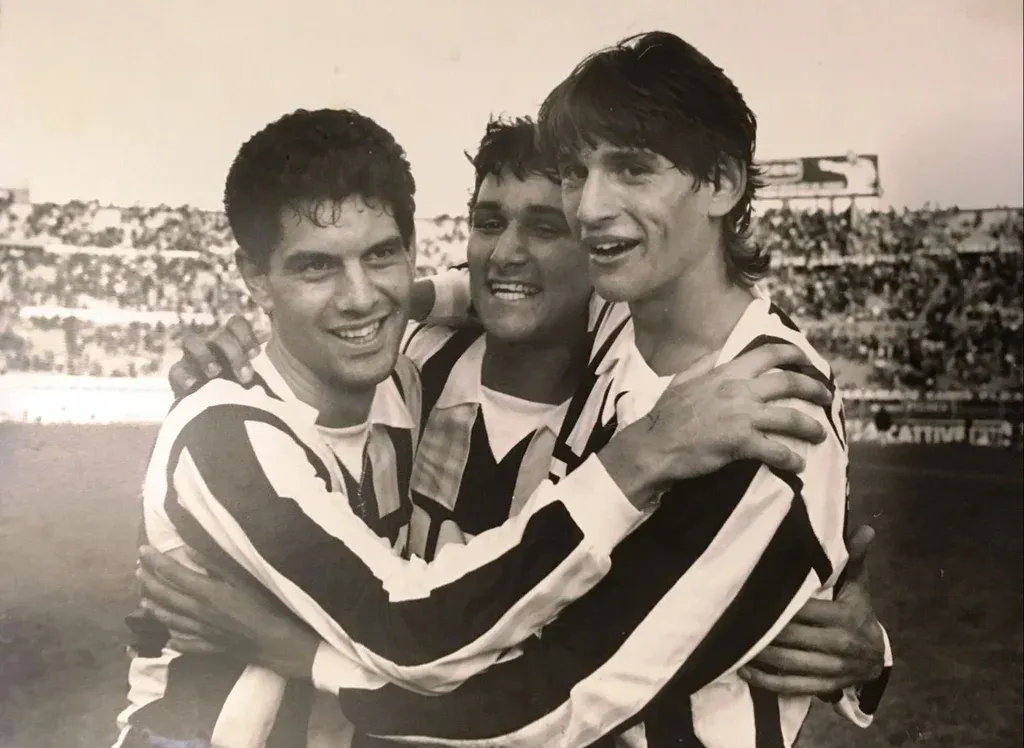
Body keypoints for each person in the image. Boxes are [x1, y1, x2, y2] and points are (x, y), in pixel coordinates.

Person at [141, 31, 891, 745]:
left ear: (722, 182)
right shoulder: (506, 347)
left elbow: (538, 708)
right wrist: (326, 320)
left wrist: (868, 653)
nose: (590, 207)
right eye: (578, 177)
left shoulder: (757, 403)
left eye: (631, 170)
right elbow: (481, 286)